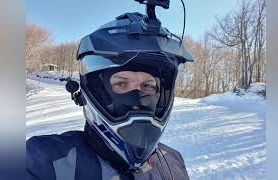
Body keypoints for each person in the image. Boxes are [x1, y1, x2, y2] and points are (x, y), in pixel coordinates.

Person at [27, 11, 194, 180]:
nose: (137, 99)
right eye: (121, 84)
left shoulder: (173, 162)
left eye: (147, 85)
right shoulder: (44, 160)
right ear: (96, 92)